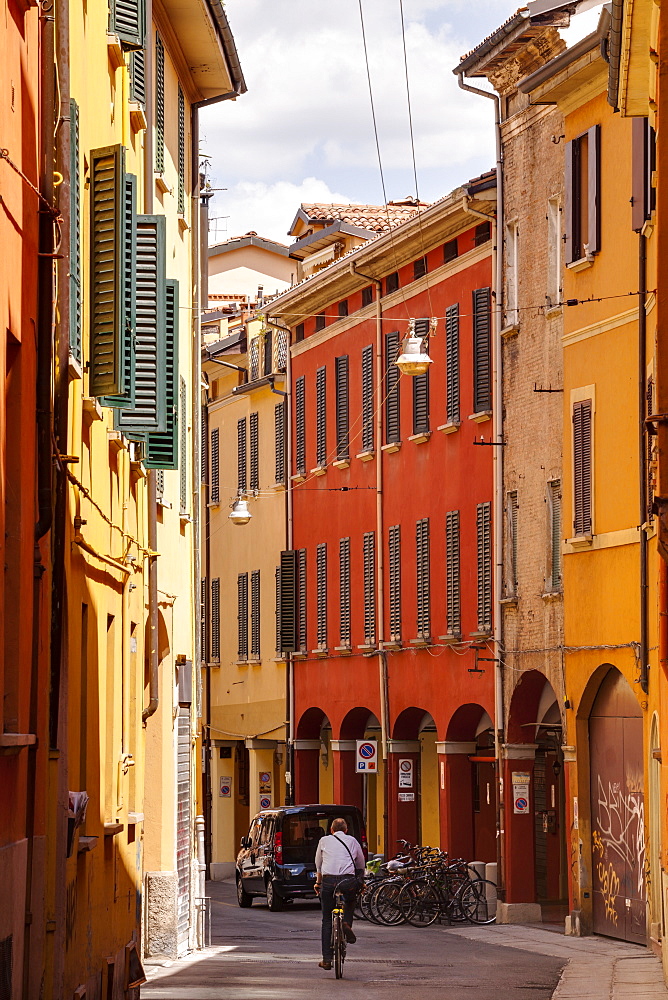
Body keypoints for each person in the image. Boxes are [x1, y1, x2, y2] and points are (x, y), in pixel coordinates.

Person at [314, 817, 365, 970]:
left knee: (326, 919)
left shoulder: (324, 840)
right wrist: (361, 881)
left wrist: (318, 883)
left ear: (331, 830)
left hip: (329, 882)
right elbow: (361, 864)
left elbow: (319, 864)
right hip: (347, 882)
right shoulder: (353, 841)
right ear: (346, 830)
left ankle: (327, 959)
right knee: (350, 901)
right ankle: (346, 923)